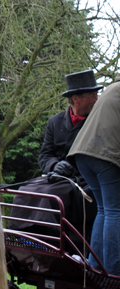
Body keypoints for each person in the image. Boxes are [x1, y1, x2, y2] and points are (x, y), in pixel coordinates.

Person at [9, 70, 101, 243]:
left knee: (51, 197)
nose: (96, 99)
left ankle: (49, 241)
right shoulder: (55, 121)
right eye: (92, 95)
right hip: (56, 176)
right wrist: (54, 166)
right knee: (24, 191)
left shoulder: (97, 122)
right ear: (76, 98)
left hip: (83, 179)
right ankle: (21, 237)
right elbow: (45, 154)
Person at [68, 78, 120, 276]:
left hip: (82, 154)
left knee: (104, 209)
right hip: (104, 155)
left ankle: (95, 266)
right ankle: (115, 271)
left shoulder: (113, 89)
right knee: (115, 210)